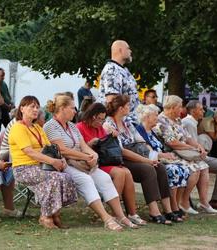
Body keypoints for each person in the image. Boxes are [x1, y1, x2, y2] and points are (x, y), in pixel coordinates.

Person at [44, 95, 138, 231]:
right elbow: (62, 150)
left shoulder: (71, 126)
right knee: (86, 180)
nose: (75, 111)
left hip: (81, 163)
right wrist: (86, 157)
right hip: (65, 165)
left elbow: (83, 145)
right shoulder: (50, 126)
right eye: (72, 108)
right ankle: (106, 218)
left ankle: (120, 216)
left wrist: (93, 155)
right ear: (63, 109)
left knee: (105, 178)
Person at [103, 95, 179, 225]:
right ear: (121, 108)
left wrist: (153, 157)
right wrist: (147, 160)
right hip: (121, 159)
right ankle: (154, 211)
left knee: (159, 167)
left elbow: (140, 141)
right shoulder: (109, 124)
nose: (130, 107)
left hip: (135, 155)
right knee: (148, 169)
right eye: (128, 105)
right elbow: (121, 151)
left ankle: (167, 209)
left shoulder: (126, 122)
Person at [8, 96, 77, 229]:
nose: (35, 110)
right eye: (31, 106)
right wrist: (52, 161)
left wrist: (59, 158)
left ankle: (55, 214)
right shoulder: (18, 128)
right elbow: (30, 152)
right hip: (24, 169)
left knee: (66, 177)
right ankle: (46, 216)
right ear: (22, 108)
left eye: (37, 107)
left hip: (41, 167)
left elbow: (48, 148)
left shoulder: (37, 128)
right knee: (54, 178)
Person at [76, 102, 146, 226]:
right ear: (92, 116)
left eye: (103, 119)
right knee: (120, 173)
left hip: (104, 160)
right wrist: (90, 143)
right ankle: (113, 213)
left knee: (127, 172)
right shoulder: (79, 127)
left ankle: (132, 213)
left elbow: (105, 145)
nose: (101, 122)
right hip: (91, 163)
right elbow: (77, 149)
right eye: (99, 119)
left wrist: (110, 135)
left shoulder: (100, 128)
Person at [154, 95, 217, 214]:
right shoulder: (162, 120)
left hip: (182, 152)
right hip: (170, 153)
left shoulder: (177, 120)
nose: (182, 109)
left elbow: (187, 137)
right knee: (195, 169)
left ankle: (201, 202)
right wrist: (191, 147)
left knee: (204, 167)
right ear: (172, 108)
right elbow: (172, 143)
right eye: (180, 107)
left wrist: (198, 146)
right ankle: (183, 202)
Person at [135, 104, 190, 218]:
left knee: (184, 169)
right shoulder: (140, 131)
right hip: (153, 161)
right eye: (155, 116)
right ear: (147, 117)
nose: (157, 118)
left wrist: (167, 156)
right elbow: (147, 152)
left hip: (163, 159)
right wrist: (164, 155)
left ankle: (175, 204)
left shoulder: (152, 131)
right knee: (174, 170)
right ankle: (172, 207)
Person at [182, 100, 217, 210]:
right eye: (200, 109)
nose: (204, 111)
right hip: (191, 157)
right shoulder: (189, 123)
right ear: (193, 111)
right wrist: (202, 154)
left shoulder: (193, 122)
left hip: (197, 155)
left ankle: (213, 200)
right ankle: (213, 201)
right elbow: (191, 146)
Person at [98, 40, 140, 124]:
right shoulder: (112, 70)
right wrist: (119, 125)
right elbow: (112, 100)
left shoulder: (123, 69)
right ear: (120, 50)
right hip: (121, 123)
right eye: (128, 48)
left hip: (129, 122)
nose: (130, 51)